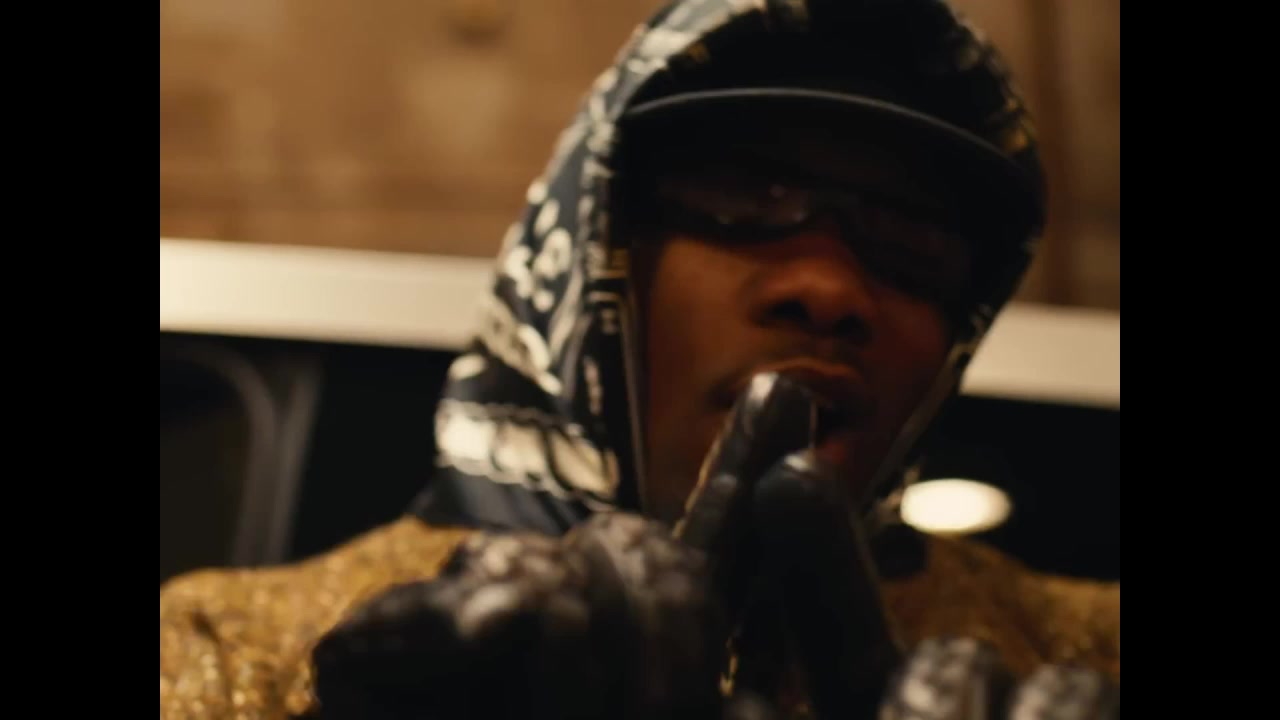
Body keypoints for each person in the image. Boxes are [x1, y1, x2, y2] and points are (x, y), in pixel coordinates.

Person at [160, 0, 1120, 718]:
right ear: (592, 255)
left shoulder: (1085, 653)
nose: (830, 288)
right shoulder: (222, 649)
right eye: (747, 195)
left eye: (914, 243)